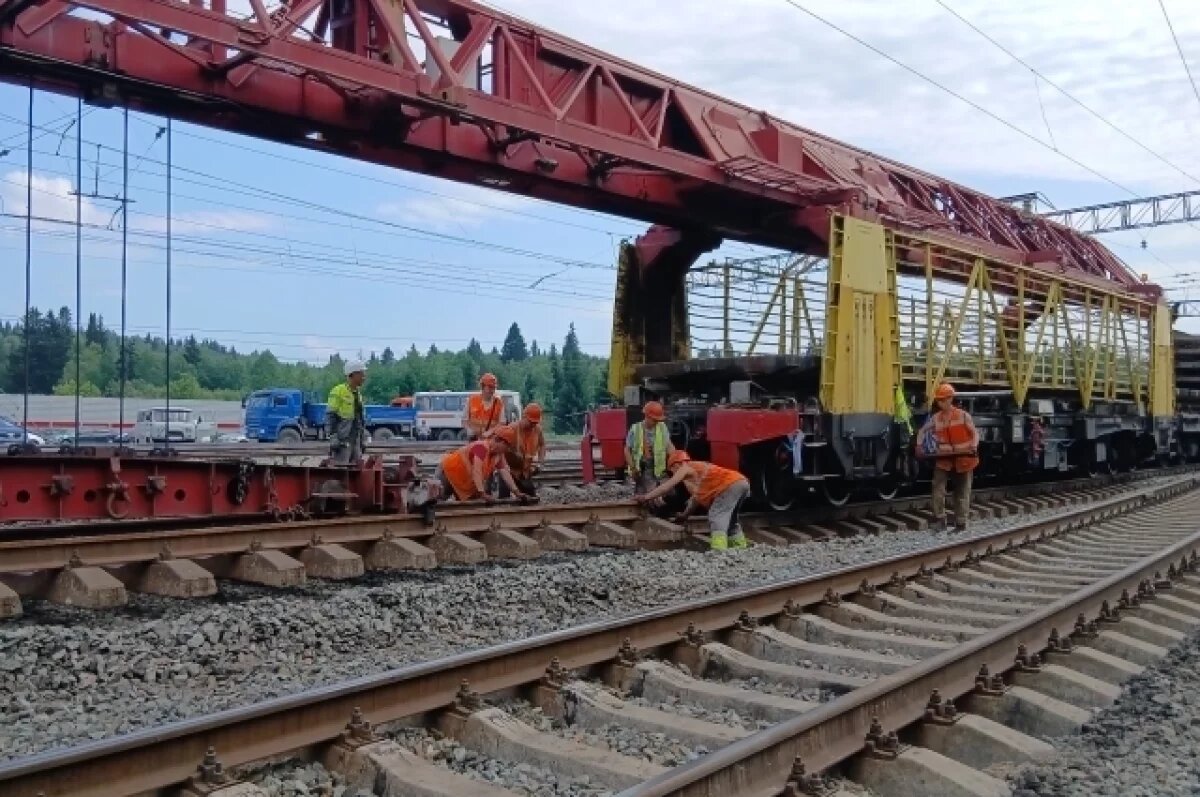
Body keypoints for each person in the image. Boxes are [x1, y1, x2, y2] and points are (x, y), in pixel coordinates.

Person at [635, 451, 750, 550]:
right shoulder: (696, 476)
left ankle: (719, 549)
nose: (674, 473)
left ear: (676, 464)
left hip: (730, 485)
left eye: (672, 470)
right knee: (732, 519)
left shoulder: (686, 467)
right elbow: (695, 500)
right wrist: (684, 516)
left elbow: (667, 486)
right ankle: (739, 546)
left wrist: (646, 497)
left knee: (716, 515)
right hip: (741, 483)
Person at [917, 382, 979, 531]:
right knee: (938, 488)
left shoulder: (963, 416)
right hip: (944, 459)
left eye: (942, 400)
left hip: (963, 459)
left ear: (950, 399)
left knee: (962, 491)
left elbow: (975, 433)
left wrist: (974, 445)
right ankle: (939, 519)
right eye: (938, 400)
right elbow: (922, 431)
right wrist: (918, 446)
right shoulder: (936, 418)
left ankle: (961, 521)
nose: (940, 403)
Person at [435, 425, 530, 503]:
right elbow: (477, 471)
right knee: (437, 503)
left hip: (462, 481)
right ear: (499, 441)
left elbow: (504, 472)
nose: (508, 449)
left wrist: (517, 492)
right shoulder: (481, 447)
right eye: (507, 446)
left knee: (468, 509)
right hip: (448, 473)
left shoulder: (498, 455)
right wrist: (482, 493)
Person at [623, 400, 675, 494]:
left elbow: (669, 445)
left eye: (658, 420)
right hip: (641, 470)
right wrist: (633, 467)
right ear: (646, 416)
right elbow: (627, 450)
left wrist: (676, 460)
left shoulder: (662, 427)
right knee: (649, 493)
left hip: (658, 470)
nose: (656, 422)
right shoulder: (635, 429)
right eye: (654, 420)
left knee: (671, 492)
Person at [499, 402, 546, 497]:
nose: (533, 425)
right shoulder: (512, 428)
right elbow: (500, 449)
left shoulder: (537, 430)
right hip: (509, 470)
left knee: (530, 498)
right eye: (531, 422)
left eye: (535, 423)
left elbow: (542, 445)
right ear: (524, 417)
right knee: (503, 499)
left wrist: (540, 463)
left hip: (524, 472)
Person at [327, 360, 367, 466]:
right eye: (362, 374)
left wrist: (363, 438)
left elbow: (359, 419)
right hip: (342, 440)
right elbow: (330, 416)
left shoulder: (357, 394)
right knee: (341, 469)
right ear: (352, 374)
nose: (364, 377)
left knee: (357, 469)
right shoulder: (338, 391)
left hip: (355, 439)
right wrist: (333, 437)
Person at [462, 372, 504, 440]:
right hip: (474, 440)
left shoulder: (499, 403)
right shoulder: (471, 400)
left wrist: (491, 432)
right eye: (490, 387)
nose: (492, 390)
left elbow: (502, 423)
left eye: (493, 388)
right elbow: (464, 420)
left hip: (491, 441)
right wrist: (469, 430)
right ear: (482, 387)